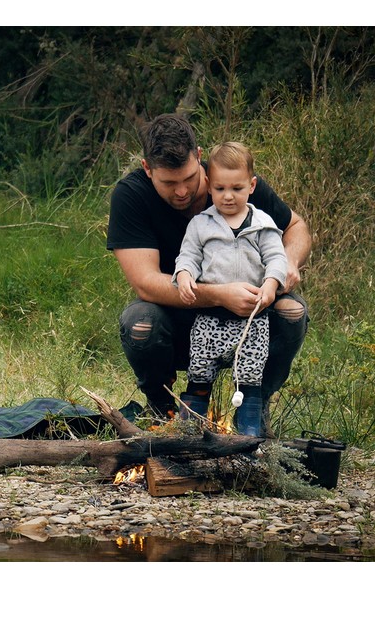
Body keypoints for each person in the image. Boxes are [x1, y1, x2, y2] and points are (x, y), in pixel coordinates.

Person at [106, 113, 310, 427]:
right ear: (147, 169)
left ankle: (256, 405)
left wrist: (289, 262)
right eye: (168, 183)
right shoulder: (131, 195)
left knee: (292, 311)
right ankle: (163, 409)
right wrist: (218, 295)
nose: (181, 191)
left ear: (198, 157)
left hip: (250, 317)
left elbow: (296, 227)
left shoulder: (232, 183)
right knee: (139, 322)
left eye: (189, 178)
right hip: (179, 319)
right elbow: (146, 283)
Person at [173, 142, 288, 436]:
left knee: (250, 375)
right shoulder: (201, 224)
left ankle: (248, 429)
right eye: (220, 188)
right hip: (210, 316)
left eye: (237, 188)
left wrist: (271, 284)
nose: (228, 196)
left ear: (251, 186)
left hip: (252, 319)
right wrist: (184, 275)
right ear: (209, 185)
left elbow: (277, 258)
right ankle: (190, 426)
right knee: (200, 370)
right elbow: (188, 256)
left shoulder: (262, 223)